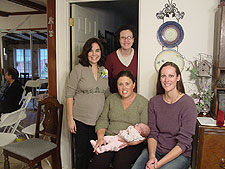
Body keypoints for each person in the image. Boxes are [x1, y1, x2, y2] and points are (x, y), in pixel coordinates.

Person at [132, 62, 198, 169]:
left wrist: (159, 164)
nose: (167, 80)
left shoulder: (188, 104)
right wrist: (152, 157)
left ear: (178, 78)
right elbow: (152, 133)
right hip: (156, 150)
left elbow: (184, 143)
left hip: (179, 155)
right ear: (160, 79)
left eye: (171, 76)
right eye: (163, 76)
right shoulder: (154, 102)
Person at [88, 70, 148, 169]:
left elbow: (145, 130)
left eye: (127, 84)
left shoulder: (143, 102)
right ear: (117, 86)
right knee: (98, 163)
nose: (124, 88)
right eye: (120, 84)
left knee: (120, 164)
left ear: (133, 85)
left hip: (131, 143)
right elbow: (103, 120)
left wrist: (130, 142)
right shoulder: (111, 99)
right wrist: (100, 138)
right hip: (110, 138)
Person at [66, 37, 109, 169]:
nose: (94, 54)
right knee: (81, 154)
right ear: (86, 52)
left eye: (97, 50)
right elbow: (69, 95)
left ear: (101, 52)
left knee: (96, 154)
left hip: (100, 122)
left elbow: (106, 93)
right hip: (81, 120)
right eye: (91, 51)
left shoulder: (104, 71)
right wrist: (70, 119)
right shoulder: (78, 69)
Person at [105, 24, 138, 93]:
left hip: (134, 98)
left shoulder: (139, 56)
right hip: (116, 99)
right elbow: (105, 78)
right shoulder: (110, 58)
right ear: (119, 39)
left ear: (133, 39)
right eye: (123, 37)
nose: (126, 40)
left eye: (129, 37)